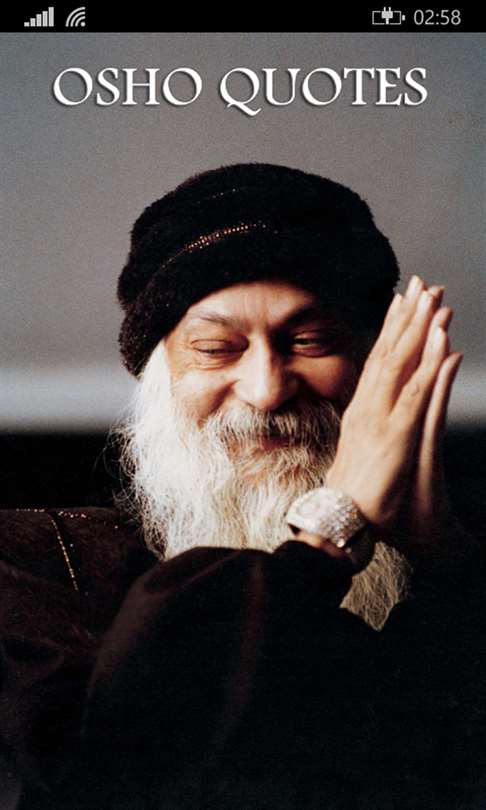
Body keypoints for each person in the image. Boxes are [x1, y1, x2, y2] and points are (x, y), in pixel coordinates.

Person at [1, 162, 485, 809]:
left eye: (309, 341)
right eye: (215, 348)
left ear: (372, 367)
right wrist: (330, 528)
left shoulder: (461, 567)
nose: (266, 389)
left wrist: (445, 558)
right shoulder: (33, 560)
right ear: (159, 374)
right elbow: (131, 763)